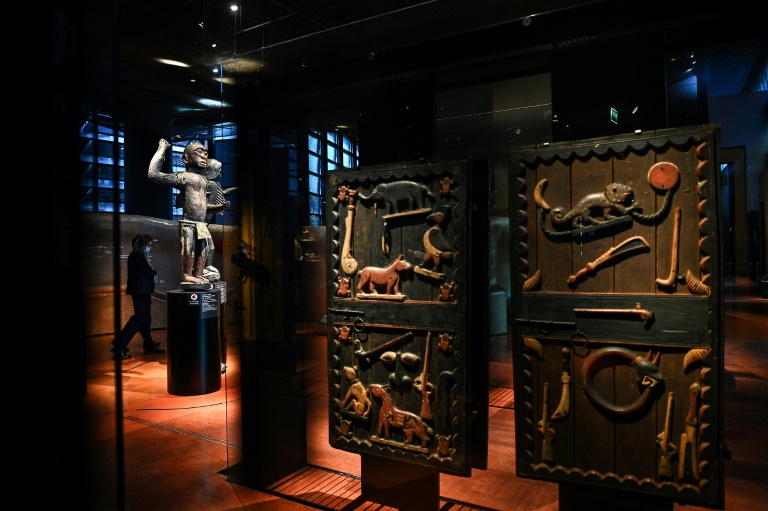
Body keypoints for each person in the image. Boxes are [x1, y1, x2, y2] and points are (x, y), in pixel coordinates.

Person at [147, 139, 230, 285]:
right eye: (199, 152)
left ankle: (197, 274)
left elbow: (203, 207)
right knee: (189, 250)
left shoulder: (204, 181)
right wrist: (162, 148)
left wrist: (220, 207)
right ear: (186, 158)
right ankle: (186, 275)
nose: (204, 156)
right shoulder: (184, 177)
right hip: (188, 223)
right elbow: (153, 174)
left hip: (201, 224)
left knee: (203, 250)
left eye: (206, 153)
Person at [111, 234, 166, 360]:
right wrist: (153, 271)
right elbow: (148, 271)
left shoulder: (136, 255)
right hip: (140, 292)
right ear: (143, 244)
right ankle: (119, 345)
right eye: (149, 245)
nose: (150, 247)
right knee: (139, 318)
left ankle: (148, 344)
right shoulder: (137, 255)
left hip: (142, 291)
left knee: (145, 318)